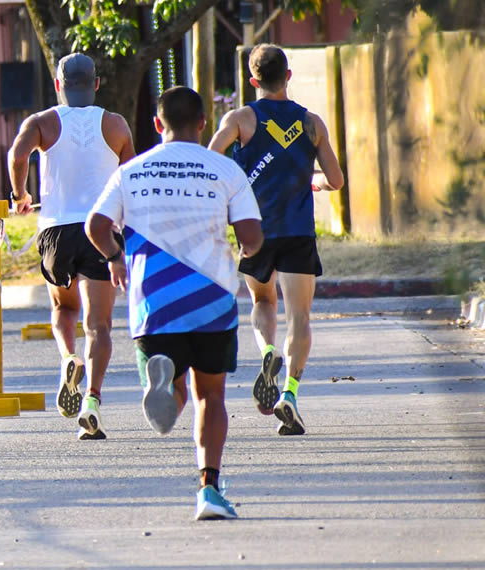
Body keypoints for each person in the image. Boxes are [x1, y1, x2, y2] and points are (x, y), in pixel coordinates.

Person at [86, 86, 264, 520]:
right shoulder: (224, 169)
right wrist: (242, 254)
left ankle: (164, 382)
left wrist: (115, 257)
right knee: (211, 397)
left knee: (176, 385)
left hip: (154, 302)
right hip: (212, 300)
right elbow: (254, 239)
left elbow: (96, 225)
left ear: (156, 125)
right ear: (203, 123)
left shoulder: (131, 171)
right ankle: (209, 488)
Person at [207, 44, 345, 436]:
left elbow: (209, 160)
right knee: (299, 317)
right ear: (288, 76)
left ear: (253, 81)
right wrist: (314, 180)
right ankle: (290, 394)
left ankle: (268, 351)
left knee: (262, 300)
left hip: (256, 232)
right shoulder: (311, 122)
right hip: (299, 232)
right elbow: (335, 180)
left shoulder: (240, 119)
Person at [7, 53, 136, 440]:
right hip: (101, 229)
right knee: (99, 325)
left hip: (56, 231)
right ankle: (92, 402)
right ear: (96, 84)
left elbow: (17, 154)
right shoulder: (115, 124)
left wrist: (20, 194)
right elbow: (129, 177)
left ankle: (69, 357)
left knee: (64, 308)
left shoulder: (42, 122)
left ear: (58, 84)